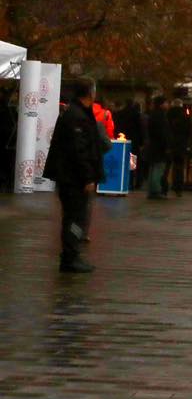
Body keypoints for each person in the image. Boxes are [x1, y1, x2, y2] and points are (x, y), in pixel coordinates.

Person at [43, 78, 106, 273]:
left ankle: (71, 254)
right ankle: (70, 256)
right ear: (90, 92)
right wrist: (87, 176)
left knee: (74, 217)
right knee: (75, 218)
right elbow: (79, 150)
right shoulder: (77, 116)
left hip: (71, 176)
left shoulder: (76, 113)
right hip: (73, 179)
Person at [144, 95, 171, 199]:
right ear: (161, 104)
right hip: (159, 147)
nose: (167, 105)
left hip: (154, 146)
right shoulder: (161, 116)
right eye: (166, 103)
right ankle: (156, 190)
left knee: (153, 168)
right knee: (158, 168)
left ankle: (152, 189)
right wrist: (167, 145)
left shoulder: (153, 115)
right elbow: (163, 133)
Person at [167, 100, 190, 196]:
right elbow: (188, 130)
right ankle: (178, 186)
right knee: (179, 166)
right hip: (181, 143)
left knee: (168, 165)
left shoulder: (168, 114)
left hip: (169, 143)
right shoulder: (185, 115)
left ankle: (167, 184)